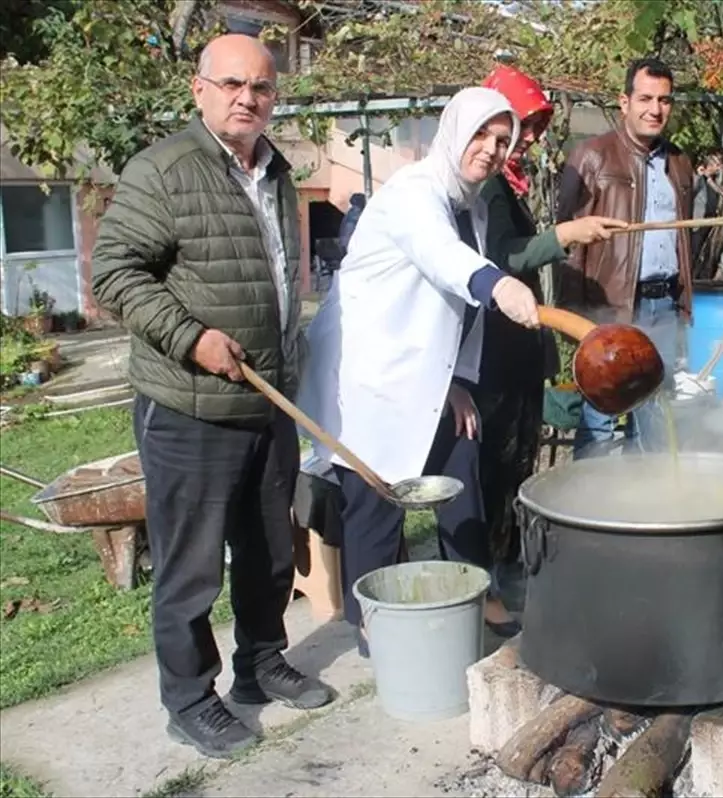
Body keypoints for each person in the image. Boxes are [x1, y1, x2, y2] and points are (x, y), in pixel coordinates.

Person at [91, 33, 331, 760]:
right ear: (199, 90)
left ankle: (261, 664)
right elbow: (115, 273)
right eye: (231, 85)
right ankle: (191, 698)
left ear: (274, 97)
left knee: (267, 555)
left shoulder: (276, 171)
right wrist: (192, 338)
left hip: (265, 402)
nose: (246, 98)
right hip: (191, 408)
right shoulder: (163, 170)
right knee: (191, 568)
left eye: (259, 87)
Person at [296, 87, 542, 653]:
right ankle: (373, 627)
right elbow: (443, 259)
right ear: (453, 131)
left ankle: (475, 595)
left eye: (502, 140)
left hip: (427, 374)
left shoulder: (471, 206)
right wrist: (497, 283)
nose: (491, 148)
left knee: (462, 477)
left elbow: (447, 310)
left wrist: (454, 380)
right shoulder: (414, 193)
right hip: (371, 376)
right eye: (481, 134)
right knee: (375, 500)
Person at [474, 64, 627, 597]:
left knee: (519, 455)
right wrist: (565, 234)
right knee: (497, 462)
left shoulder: (508, 183)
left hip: (520, 339)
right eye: (525, 125)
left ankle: (510, 564)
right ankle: (491, 583)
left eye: (536, 126)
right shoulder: (488, 188)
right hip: (493, 343)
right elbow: (501, 258)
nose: (532, 137)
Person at [556, 56, 695, 456]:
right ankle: (587, 508)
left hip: (662, 305)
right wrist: (573, 319)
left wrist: (684, 301)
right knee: (600, 421)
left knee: (654, 416)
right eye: (646, 98)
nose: (655, 110)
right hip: (609, 308)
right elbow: (565, 242)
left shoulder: (680, 162)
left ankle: (645, 506)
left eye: (665, 100)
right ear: (624, 101)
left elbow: (686, 239)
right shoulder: (590, 156)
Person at [691, 149, 723, 279]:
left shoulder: (714, 181)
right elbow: (691, 191)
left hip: (710, 224)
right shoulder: (699, 179)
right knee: (694, 252)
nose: (718, 168)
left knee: (705, 253)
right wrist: (698, 175)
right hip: (697, 224)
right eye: (715, 165)